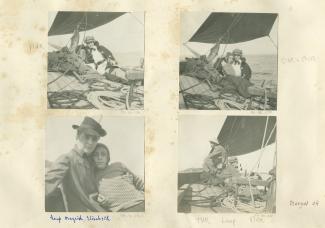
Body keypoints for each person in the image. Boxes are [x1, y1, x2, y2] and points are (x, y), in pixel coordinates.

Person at [45, 116, 107, 212]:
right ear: (77, 135)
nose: (90, 142)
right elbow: (46, 185)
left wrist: (97, 196)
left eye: (94, 138)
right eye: (87, 136)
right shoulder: (67, 159)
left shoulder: (91, 162)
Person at [91, 143, 145, 212]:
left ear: (108, 158)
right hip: (122, 210)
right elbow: (92, 194)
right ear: (92, 158)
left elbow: (138, 181)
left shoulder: (118, 165)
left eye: (103, 154)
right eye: (96, 155)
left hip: (140, 201)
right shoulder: (93, 176)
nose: (99, 157)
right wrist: (98, 198)